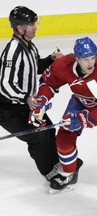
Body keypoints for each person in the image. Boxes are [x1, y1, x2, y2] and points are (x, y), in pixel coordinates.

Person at [29, 36, 97, 193]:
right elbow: (48, 82)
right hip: (81, 101)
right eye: (85, 59)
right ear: (76, 58)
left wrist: (85, 119)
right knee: (64, 137)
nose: (91, 63)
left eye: (93, 58)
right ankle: (69, 172)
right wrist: (41, 101)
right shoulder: (63, 65)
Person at [0, 6, 64, 181]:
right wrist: (25, 98)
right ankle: (49, 172)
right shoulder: (13, 51)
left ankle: (57, 164)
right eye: (31, 24)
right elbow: (5, 85)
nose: (35, 28)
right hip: (8, 110)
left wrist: (50, 60)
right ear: (20, 28)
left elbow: (35, 67)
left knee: (50, 131)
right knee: (40, 137)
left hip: (27, 105)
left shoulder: (30, 47)